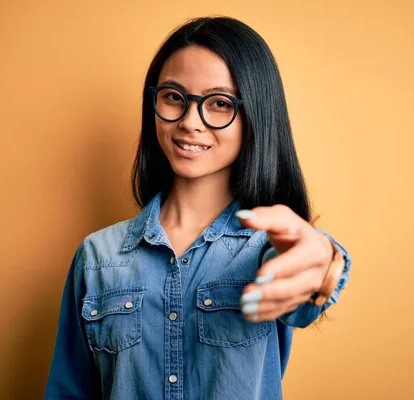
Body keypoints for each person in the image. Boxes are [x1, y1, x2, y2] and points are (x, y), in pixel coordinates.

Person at [45, 16, 351, 400]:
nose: (190, 122)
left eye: (219, 103)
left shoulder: (264, 250)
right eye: (174, 96)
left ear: (255, 113)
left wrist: (324, 258)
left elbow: (310, 275)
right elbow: (68, 391)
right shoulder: (96, 256)